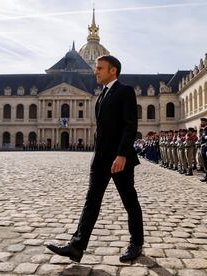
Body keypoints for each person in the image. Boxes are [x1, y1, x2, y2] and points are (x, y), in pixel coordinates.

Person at [46, 55, 144, 262]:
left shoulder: (124, 91)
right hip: (100, 159)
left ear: (113, 71)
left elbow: (130, 126)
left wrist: (122, 154)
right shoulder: (101, 95)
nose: (95, 71)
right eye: (96, 68)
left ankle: (136, 243)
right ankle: (76, 246)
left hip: (119, 159)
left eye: (100, 68)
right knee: (91, 202)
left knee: (129, 201)